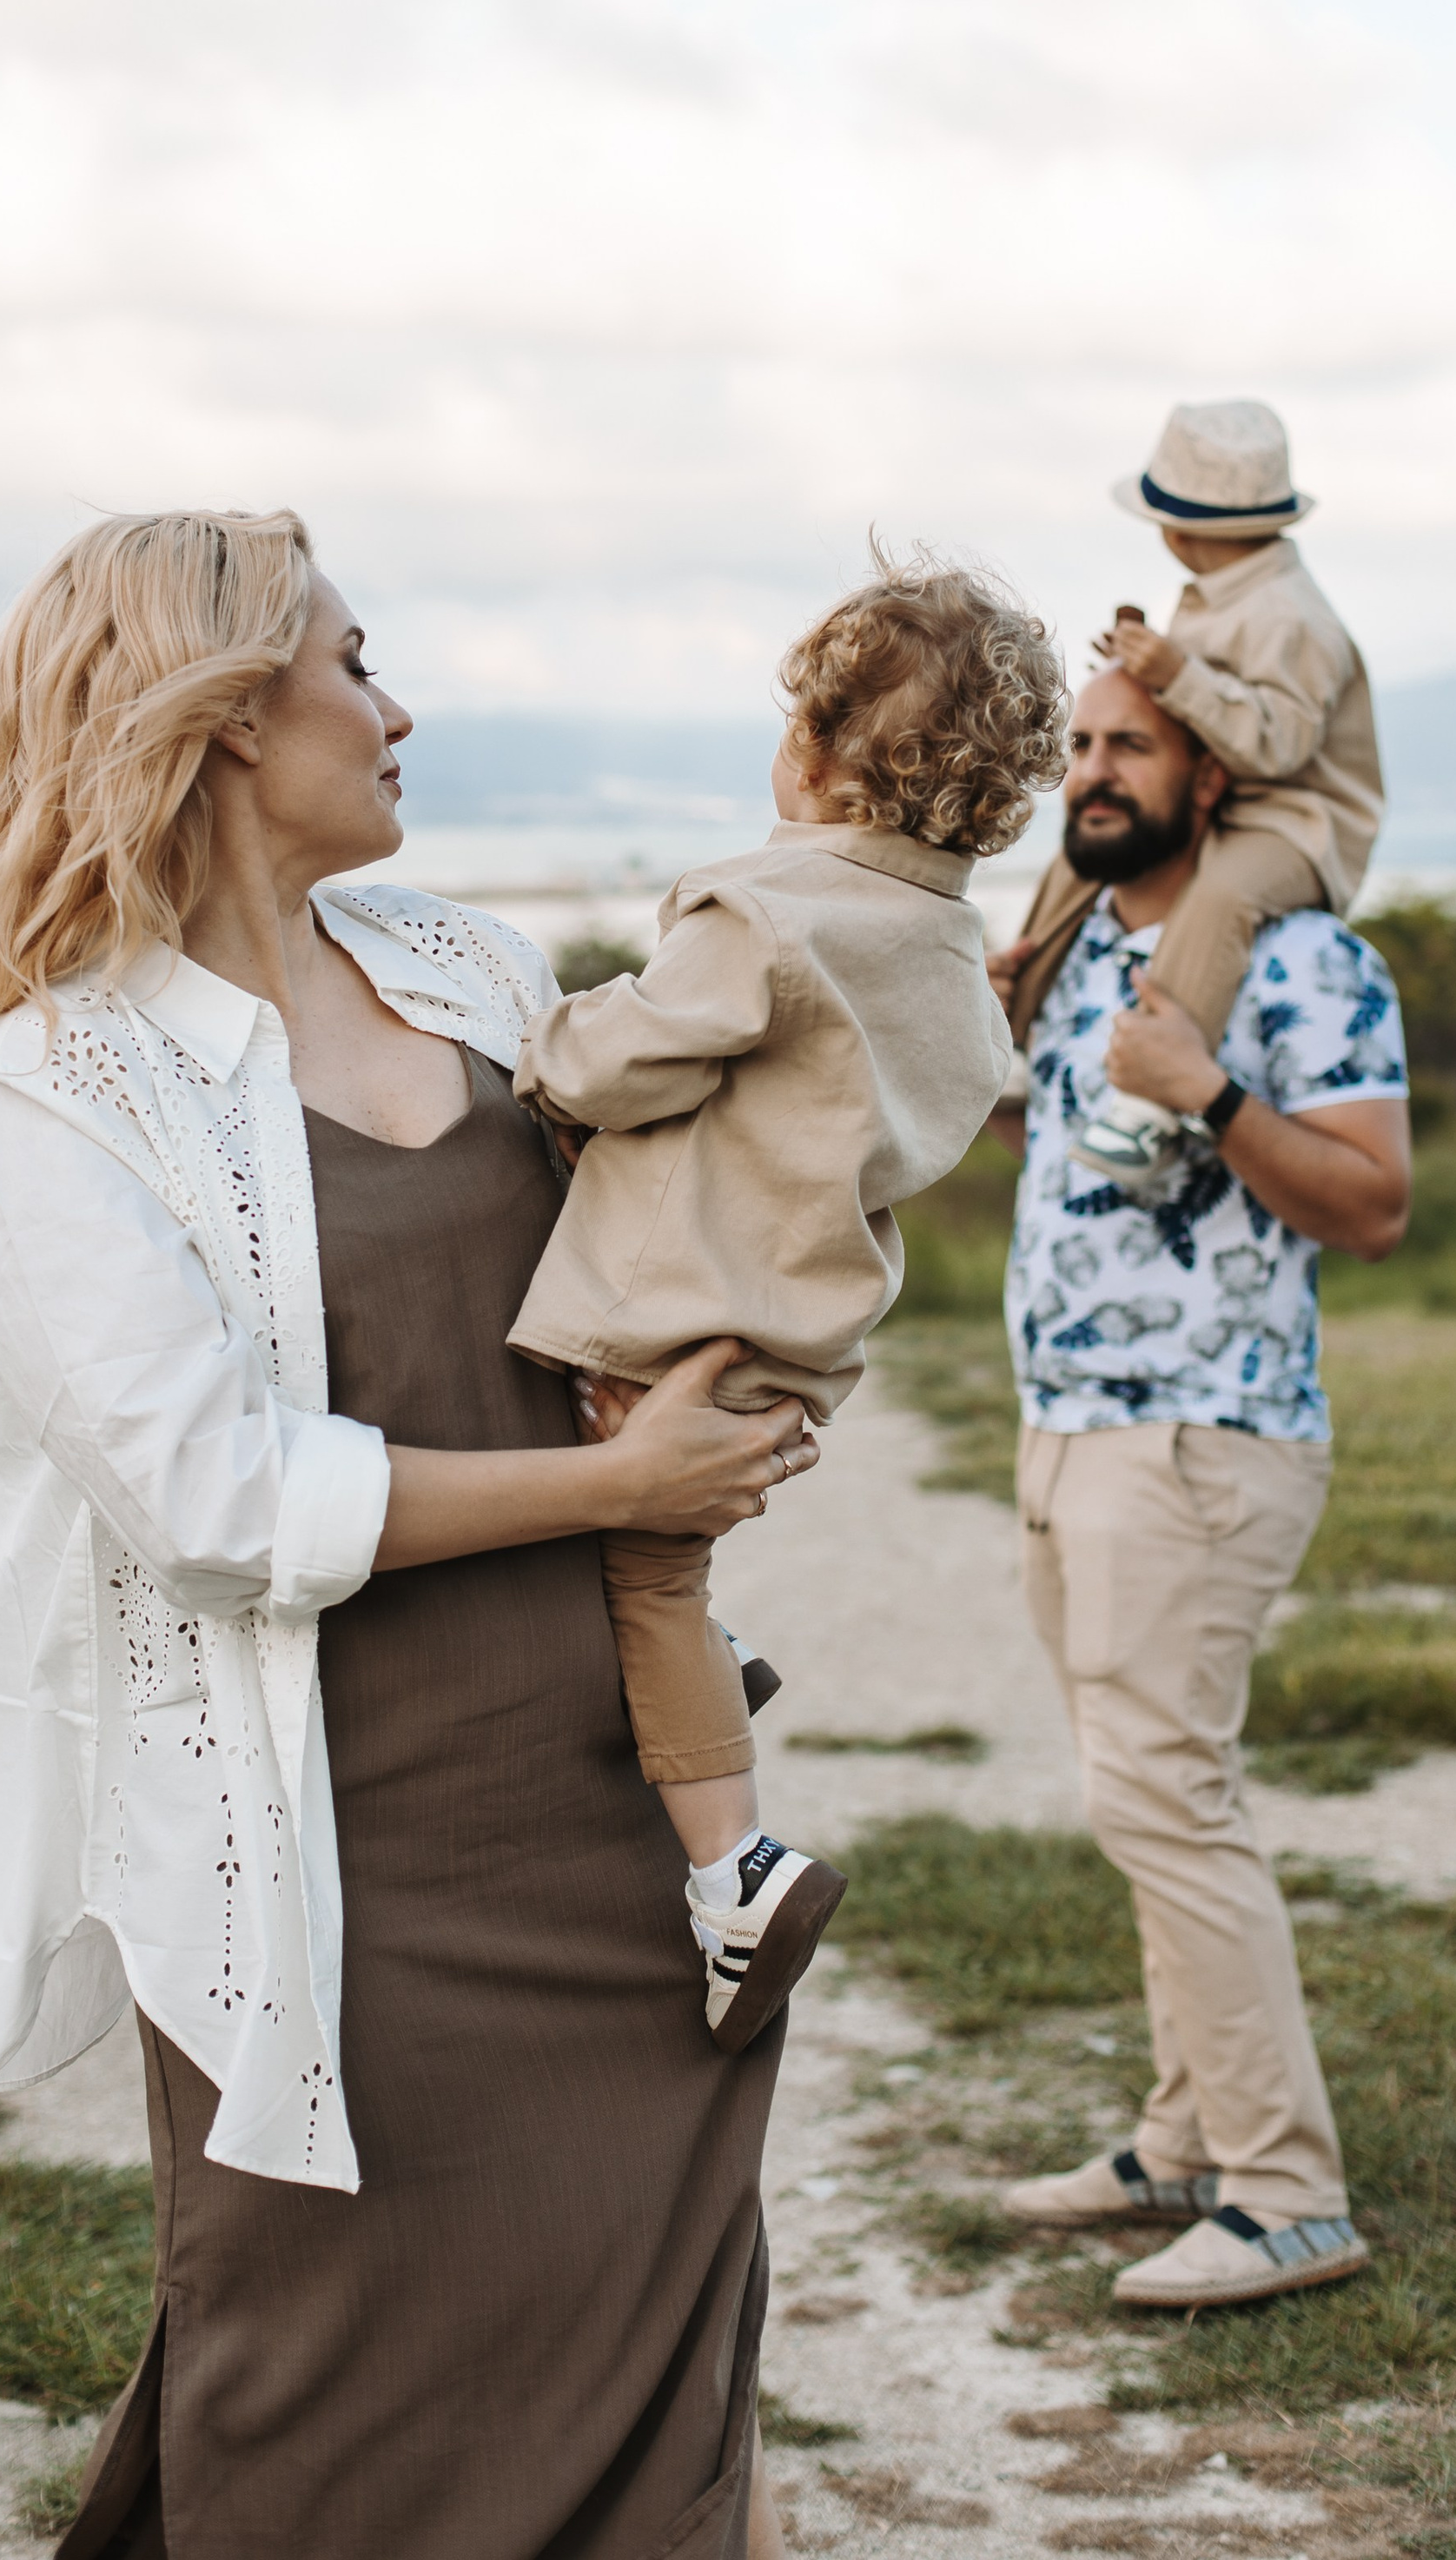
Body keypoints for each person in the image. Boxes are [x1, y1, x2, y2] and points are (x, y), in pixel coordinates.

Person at [0, 509, 818, 2560]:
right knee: (329, 2381)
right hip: (327, 1845)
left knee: (645, 2325)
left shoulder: (470, 967)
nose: (398, 709)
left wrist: (719, 1377)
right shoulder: (54, 1089)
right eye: (354, 665)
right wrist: (610, 1489)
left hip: (604, 1790)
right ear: (213, 721)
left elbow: (624, 1270)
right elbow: (215, 1499)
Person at [510, 551, 1064, 2050]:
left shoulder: (767, 912)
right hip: (793, 1338)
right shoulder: (953, 954)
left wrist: (538, 1040)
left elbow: (618, 1057)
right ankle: (709, 1669)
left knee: (644, 1580)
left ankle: (734, 1872)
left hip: (667, 1315)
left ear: (813, 753)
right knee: (670, 1579)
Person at [987, 660, 1412, 2311]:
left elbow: (1372, 1204)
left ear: (1212, 778)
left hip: (1199, 1433)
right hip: (1065, 1426)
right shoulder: (1084, 944)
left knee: (1168, 1797)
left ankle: (1290, 2192)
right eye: (1080, 746)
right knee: (1134, 1799)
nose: (1091, 771)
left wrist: (1214, 1095)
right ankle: (1183, 2138)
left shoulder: (1307, 963)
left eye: (1127, 746)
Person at [1047, 397, 1382, 1187]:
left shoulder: (1289, 617)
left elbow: (1281, 747)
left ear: (1177, 528)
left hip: (1294, 819)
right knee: (1081, 856)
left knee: (1225, 897)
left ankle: (1148, 1105)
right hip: (1225, 798)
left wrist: (1174, 674)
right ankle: (1019, 1031)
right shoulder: (1221, 595)